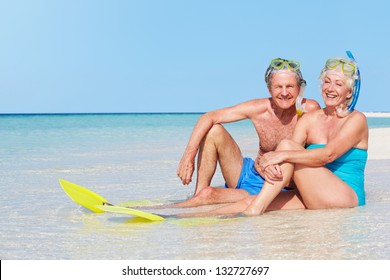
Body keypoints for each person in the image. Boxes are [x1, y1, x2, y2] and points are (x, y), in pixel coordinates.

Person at [194, 55, 368, 216]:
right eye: (327, 82)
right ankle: (187, 217)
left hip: (345, 196)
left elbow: (328, 155)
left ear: (349, 92)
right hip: (312, 191)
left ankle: (255, 210)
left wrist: (280, 155)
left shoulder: (356, 120)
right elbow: (289, 155)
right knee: (249, 201)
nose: (330, 88)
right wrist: (272, 164)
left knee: (285, 149)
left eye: (338, 84)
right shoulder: (310, 119)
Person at [175, 58, 320, 207]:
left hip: (276, 185)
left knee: (209, 195)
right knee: (213, 130)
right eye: (278, 87)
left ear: (300, 88)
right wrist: (188, 157)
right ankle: (196, 195)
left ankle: (169, 212)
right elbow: (208, 117)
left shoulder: (309, 110)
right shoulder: (260, 108)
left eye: (290, 86)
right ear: (269, 89)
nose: (284, 93)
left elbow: (318, 156)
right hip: (247, 172)